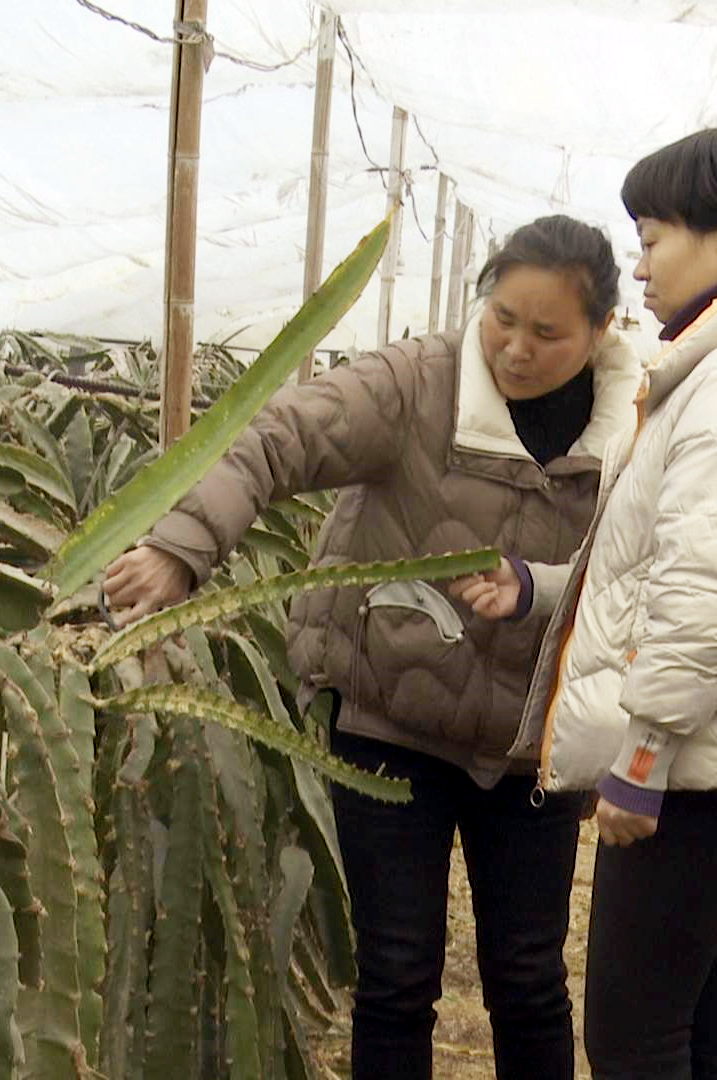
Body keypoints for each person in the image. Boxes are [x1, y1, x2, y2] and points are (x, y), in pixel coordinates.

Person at [101, 214, 643, 1080]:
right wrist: (182, 546)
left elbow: (644, 575)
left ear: (600, 332)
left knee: (529, 979)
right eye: (503, 317)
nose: (516, 348)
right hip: (392, 725)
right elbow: (279, 437)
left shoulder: (634, 435)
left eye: (548, 333)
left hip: (529, 750)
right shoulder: (417, 384)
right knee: (395, 976)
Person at [455, 128, 717, 1079]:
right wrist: (538, 590)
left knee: (635, 1041)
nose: (637, 266)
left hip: (697, 764)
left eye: (653, 238)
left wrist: (642, 756)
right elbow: (664, 570)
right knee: (694, 1029)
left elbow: (708, 595)